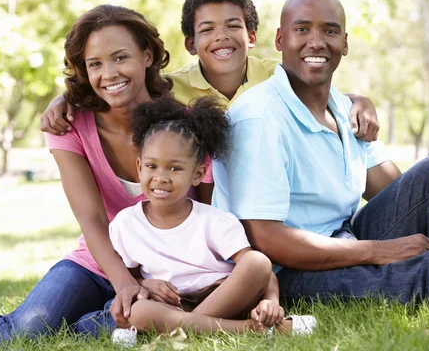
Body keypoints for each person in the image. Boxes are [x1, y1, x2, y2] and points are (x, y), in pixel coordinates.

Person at [213, 0, 429, 308]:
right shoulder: (259, 118)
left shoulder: (344, 110)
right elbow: (264, 238)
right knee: (426, 272)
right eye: (302, 29)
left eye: (329, 30)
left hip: (343, 239)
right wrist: (380, 251)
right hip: (283, 273)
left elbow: (405, 192)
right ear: (280, 40)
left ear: (344, 42)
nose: (316, 41)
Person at [0, 5, 198, 349]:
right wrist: (126, 283)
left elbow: (206, 218)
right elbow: (92, 220)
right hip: (97, 261)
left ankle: (103, 315)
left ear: (147, 55)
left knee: (98, 328)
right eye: (95, 64)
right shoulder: (69, 125)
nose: (109, 73)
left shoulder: (185, 125)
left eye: (120, 57)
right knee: (30, 327)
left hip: (166, 271)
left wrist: (158, 281)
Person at [40, 0, 380, 142]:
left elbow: (316, 93)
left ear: (251, 36)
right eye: (207, 30)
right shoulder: (171, 88)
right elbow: (125, 90)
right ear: (190, 43)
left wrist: (358, 99)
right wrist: (65, 98)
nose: (221, 37)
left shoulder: (275, 75)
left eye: (233, 26)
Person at [109, 95, 316, 345]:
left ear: (198, 175)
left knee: (257, 261)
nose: (161, 177)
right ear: (139, 167)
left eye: (175, 169)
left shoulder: (213, 221)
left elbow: (263, 273)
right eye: (152, 166)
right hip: (172, 305)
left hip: (222, 297)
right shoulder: (125, 224)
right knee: (140, 311)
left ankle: (184, 332)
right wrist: (147, 284)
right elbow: (130, 278)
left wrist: (270, 302)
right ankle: (247, 329)